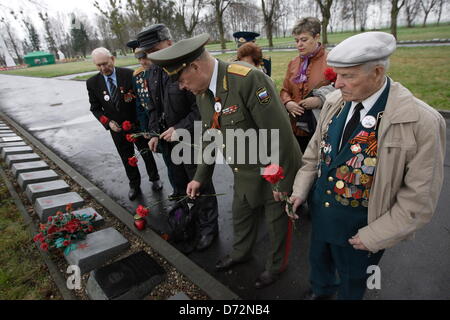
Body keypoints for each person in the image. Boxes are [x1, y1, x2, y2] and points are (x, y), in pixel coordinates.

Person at [288, 31, 446, 300]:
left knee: (354, 279)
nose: (336, 84)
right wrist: (300, 190)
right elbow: (314, 154)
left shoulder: (421, 122)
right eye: (336, 74)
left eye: (347, 76)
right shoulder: (335, 103)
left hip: (363, 232)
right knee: (319, 261)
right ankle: (322, 289)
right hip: (323, 216)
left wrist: (375, 236)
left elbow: (419, 200)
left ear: (377, 72)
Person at [147, 33, 303, 288]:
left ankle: (276, 267)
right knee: (241, 216)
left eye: (182, 81)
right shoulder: (203, 92)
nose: (183, 87)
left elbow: (280, 137)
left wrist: (282, 184)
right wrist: (199, 178)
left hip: (273, 170)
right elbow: (211, 136)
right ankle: (241, 254)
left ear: (195, 67)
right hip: (243, 170)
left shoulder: (248, 80)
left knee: (277, 227)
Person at [137, 24, 219, 251]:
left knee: (200, 186)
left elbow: (202, 110)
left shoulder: (185, 69)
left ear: (169, 44)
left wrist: (179, 128)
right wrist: (154, 134)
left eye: (155, 48)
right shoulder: (152, 72)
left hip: (190, 140)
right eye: (147, 51)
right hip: (167, 142)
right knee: (179, 186)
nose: (151, 55)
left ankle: (208, 229)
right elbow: (153, 107)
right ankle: (187, 223)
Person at [86, 47, 162, 201]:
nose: (103, 68)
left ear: (112, 59)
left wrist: (144, 125)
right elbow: (95, 108)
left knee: (146, 153)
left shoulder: (129, 75)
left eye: (105, 63)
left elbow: (140, 101)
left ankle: (155, 178)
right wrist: (108, 123)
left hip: (137, 124)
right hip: (117, 129)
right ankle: (134, 185)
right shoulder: (92, 83)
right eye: (98, 65)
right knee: (127, 157)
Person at [280, 17, 335, 153]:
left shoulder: (332, 60)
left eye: (304, 40)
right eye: (297, 40)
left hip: (321, 128)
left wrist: (320, 100)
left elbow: (342, 90)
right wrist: (287, 103)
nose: (299, 44)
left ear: (316, 37)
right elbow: (284, 90)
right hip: (295, 128)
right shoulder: (293, 63)